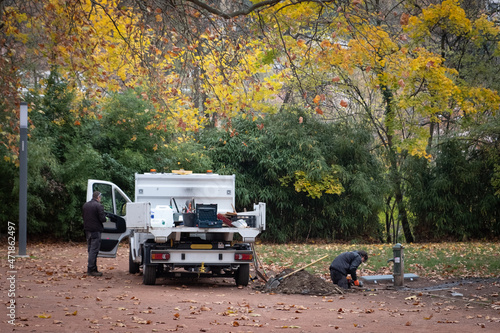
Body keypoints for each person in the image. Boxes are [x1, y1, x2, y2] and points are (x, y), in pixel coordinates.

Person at [82, 191, 107, 276]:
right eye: (100, 197)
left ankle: (93, 268)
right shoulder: (98, 206)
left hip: (87, 230)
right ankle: (91, 269)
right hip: (96, 230)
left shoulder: (86, 205)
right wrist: (106, 217)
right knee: (94, 250)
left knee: (90, 249)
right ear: (98, 197)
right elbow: (102, 219)